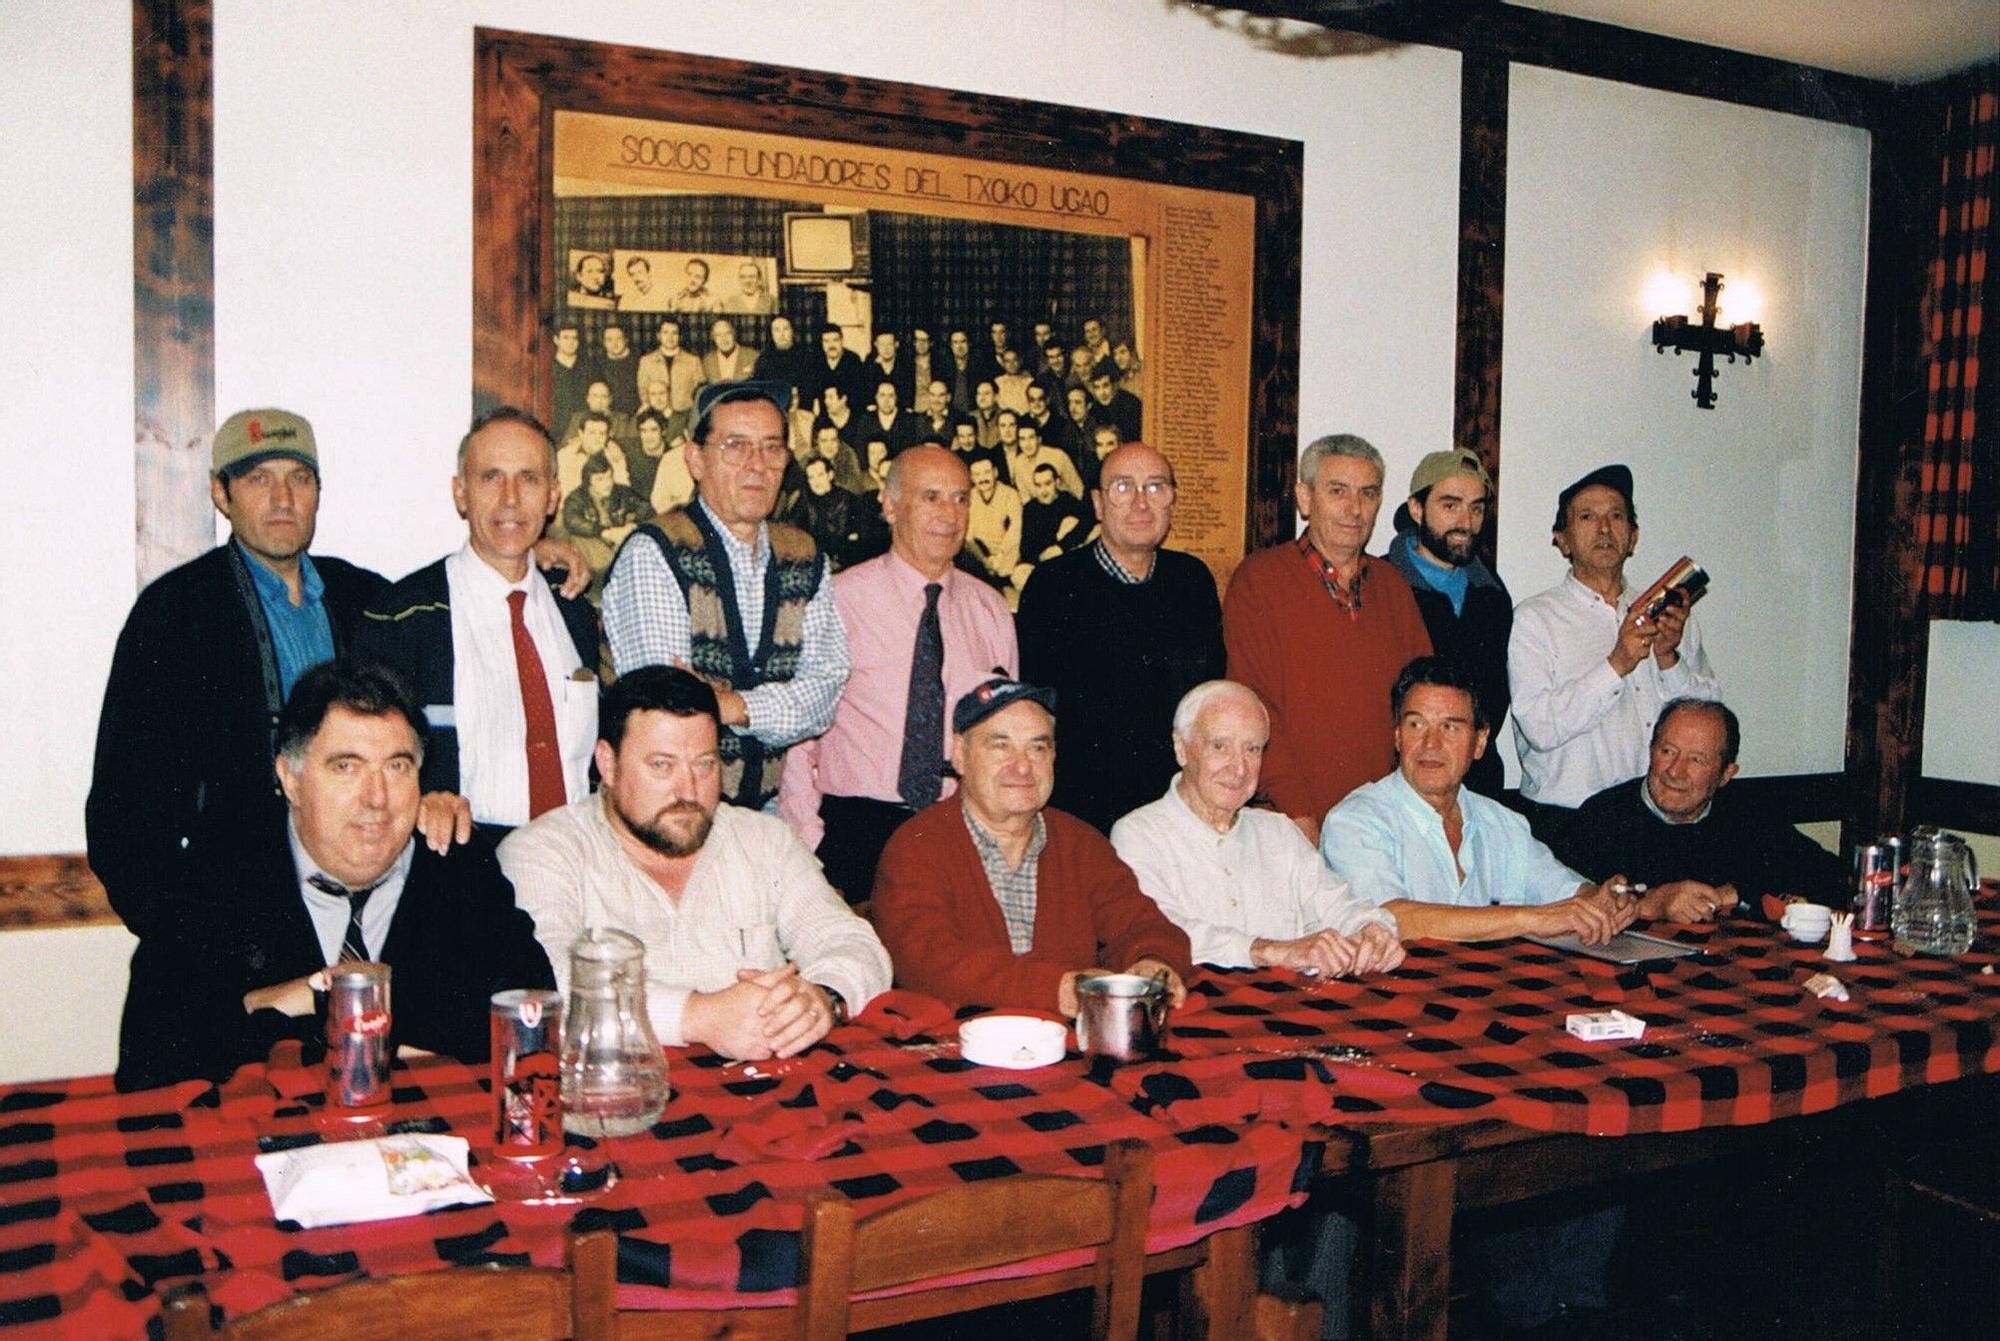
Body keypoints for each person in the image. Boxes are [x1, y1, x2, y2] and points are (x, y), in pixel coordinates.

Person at [116, 659, 556, 1091]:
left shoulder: (456, 865)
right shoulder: (217, 872)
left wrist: (308, 1004)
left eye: (397, 766)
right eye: (346, 766)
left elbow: (530, 1028)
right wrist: (406, 1032)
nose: (377, 797)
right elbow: (152, 1062)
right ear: (290, 778)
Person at [88, 409, 391, 941]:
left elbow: (449, 611)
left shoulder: (366, 601)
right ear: (220, 494)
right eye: (258, 479)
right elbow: (123, 809)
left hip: (368, 903)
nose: (282, 499)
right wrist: (181, 938)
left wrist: (533, 562)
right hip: (237, 916)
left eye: (299, 479)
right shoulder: (175, 614)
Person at [500, 667, 888, 1060]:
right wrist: (698, 1017)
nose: (688, 790)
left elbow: (853, 942)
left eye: (704, 764)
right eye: (661, 766)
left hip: (763, 1094)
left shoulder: (764, 840)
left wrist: (821, 998)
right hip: (614, 1095)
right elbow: (550, 984)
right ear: (608, 763)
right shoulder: (542, 851)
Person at [872, 678, 1194, 1016]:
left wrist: (1151, 961)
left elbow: (1144, 925)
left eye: (1037, 747)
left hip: (1068, 1048)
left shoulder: (1080, 843)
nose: (1023, 766)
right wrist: (1057, 988)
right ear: (960, 755)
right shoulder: (917, 845)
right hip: (956, 1047)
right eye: (1001, 746)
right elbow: (923, 961)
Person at [778, 446, 1015, 900]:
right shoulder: (840, 600)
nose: (950, 514)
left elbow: (1006, 734)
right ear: (889, 506)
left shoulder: (990, 610)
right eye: (931, 497)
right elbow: (798, 737)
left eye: (961, 498)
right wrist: (811, 844)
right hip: (855, 830)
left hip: (959, 830)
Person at [601, 380, 849, 810]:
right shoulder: (655, 552)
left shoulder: (805, 558)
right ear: (695, 460)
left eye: (772, 448)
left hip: (766, 816)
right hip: (663, 814)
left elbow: (824, 696)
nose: (758, 465)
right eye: (736, 446)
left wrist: (732, 706)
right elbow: (668, 712)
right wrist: (771, 708)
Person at [351, 409, 601, 831]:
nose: (510, 498)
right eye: (490, 478)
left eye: (529, 478)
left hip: (573, 858)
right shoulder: (403, 616)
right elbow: (362, 754)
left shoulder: (572, 605)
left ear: (553, 496)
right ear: (461, 493)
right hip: (462, 864)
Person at [1320, 657, 1635, 945]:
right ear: (1398, 736)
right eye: (1416, 724)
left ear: (1480, 742)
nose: (1431, 743)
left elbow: (1563, 889)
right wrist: (1529, 917)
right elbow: (1392, 918)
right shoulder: (1355, 820)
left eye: (1450, 727)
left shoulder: (1502, 823)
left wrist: (1600, 899)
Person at [1113, 681, 1402, 975]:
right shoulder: (1138, 834)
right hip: (1195, 1012)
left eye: (1252, 749)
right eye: (1220, 746)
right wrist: (1269, 951)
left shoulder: (1279, 832)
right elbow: (1159, 932)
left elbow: (1337, 903)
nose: (1239, 768)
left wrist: (1372, 930)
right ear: (1181, 748)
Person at [1224, 434, 1432, 837]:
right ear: (1304, 498)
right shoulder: (1259, 581)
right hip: (1290, 821)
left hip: (1383, 822)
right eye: (1338, 491)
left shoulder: (1393, 586)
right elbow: (1254, 707)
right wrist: (1298, 812)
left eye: (1368, 494)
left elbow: (1422, 703)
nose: (1354, 509)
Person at [1018, 443, 1225, 833]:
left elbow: (1207, 700)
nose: (1140, 503)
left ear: (1172, 500)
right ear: (1098, 504)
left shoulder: (1191, 581)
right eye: (1123, 488)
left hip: (1176, 812)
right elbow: (1038, 713)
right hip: (1083, 816)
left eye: (1155, 487)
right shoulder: (1053, 588)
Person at [1508, 464, 1720, 837]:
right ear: (1563, 540)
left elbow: (1710, 723)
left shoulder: (1669, 610)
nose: (1604, 529)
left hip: (1655, 818)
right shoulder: (1535, 619)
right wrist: (1617, 664)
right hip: (1569, 821)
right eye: (1587, 517)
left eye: (1616, 517)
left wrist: (1669, 658)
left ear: (1633, 537)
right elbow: (1539, 728)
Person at [1556, 698, 1847, 920]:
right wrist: (1656, 902)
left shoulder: (1747, 814)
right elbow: (1564, 904)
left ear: (1725, 775)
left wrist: (1738, 892)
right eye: (1667, 751)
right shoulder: (1603, 817)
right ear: (1651, 751)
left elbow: (1832, 877)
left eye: (1696, 760)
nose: (1675, 771)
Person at [1382, 448, 1513, 798]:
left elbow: (1495, 698)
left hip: (1476, 786)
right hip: (1397, 784)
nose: (1466, 523)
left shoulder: (1492, 594)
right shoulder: (1382, 584)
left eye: (1476, 508)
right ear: (1416, 508)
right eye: (1450, 505)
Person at [559, 451, 655, 576]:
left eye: (609, 477)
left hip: (619, 542)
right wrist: (605, 532)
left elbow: (646, 507)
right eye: (600, 479)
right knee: (580, 539)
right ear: (589, 482)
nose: (607, 483)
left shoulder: (621, 492)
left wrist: (631, 525)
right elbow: (572, 520)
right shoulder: (576, 498)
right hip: (595, 547)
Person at [1016, 462, 1090, 573]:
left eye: (1047, 484)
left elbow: (1087, 523)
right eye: (1038, 485)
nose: (1043, 490)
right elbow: (1026, 548)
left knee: (1070, 522)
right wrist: (1054, 541)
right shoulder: (1030, 509)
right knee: (1020, 573)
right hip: (1039, 563)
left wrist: (1061, 546)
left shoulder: (1068, 501)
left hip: (1065, 558)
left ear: (1057, 482)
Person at [635, 320, 703, 442]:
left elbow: (700, 391)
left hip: (684, 419)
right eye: (665, 332)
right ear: (659, 335)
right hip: (656, 420)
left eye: (674, 333)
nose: (670, 337)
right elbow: (643, 390)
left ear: (680, 336)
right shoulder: (646, 361)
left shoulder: (693, 361)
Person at [965, 455, 1022, 588]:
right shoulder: (969, 497)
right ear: (972, 477)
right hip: (979, 554)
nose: (982, 478)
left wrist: (1000, 556)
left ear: (995, 472)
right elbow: (968, 536)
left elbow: (1016, 527)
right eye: (977, 474)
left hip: (1005, 552)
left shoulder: (1010, 494)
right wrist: (984, 560)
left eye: (986, 472)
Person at [550, 320, 597, 441]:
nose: (571, 343)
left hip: (583, 428)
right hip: (555, 428)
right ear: (556, 340)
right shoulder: (548, 366)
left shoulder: (589, 366)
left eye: (574, 338)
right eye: (566, 338)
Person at [1086, 370, 1142, 445]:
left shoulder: (1130, 404)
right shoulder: (1095, 408)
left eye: (1105, 386)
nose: (1102, 392)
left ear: (1114, 386)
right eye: (1097, 387)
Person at [701, 317, 759, 384]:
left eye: (727, 333)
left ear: (734, 333)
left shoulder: (753, 356)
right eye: (718, 335)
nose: (723, 339)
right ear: (712, 338)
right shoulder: (707, 360)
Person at [598, 325, 640, 414]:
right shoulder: (598, 364)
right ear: (604, 343)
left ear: (626, 340)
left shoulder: (639, 361)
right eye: (609, 340)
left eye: (619, 339)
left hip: (636, 414)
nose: (615, 344)